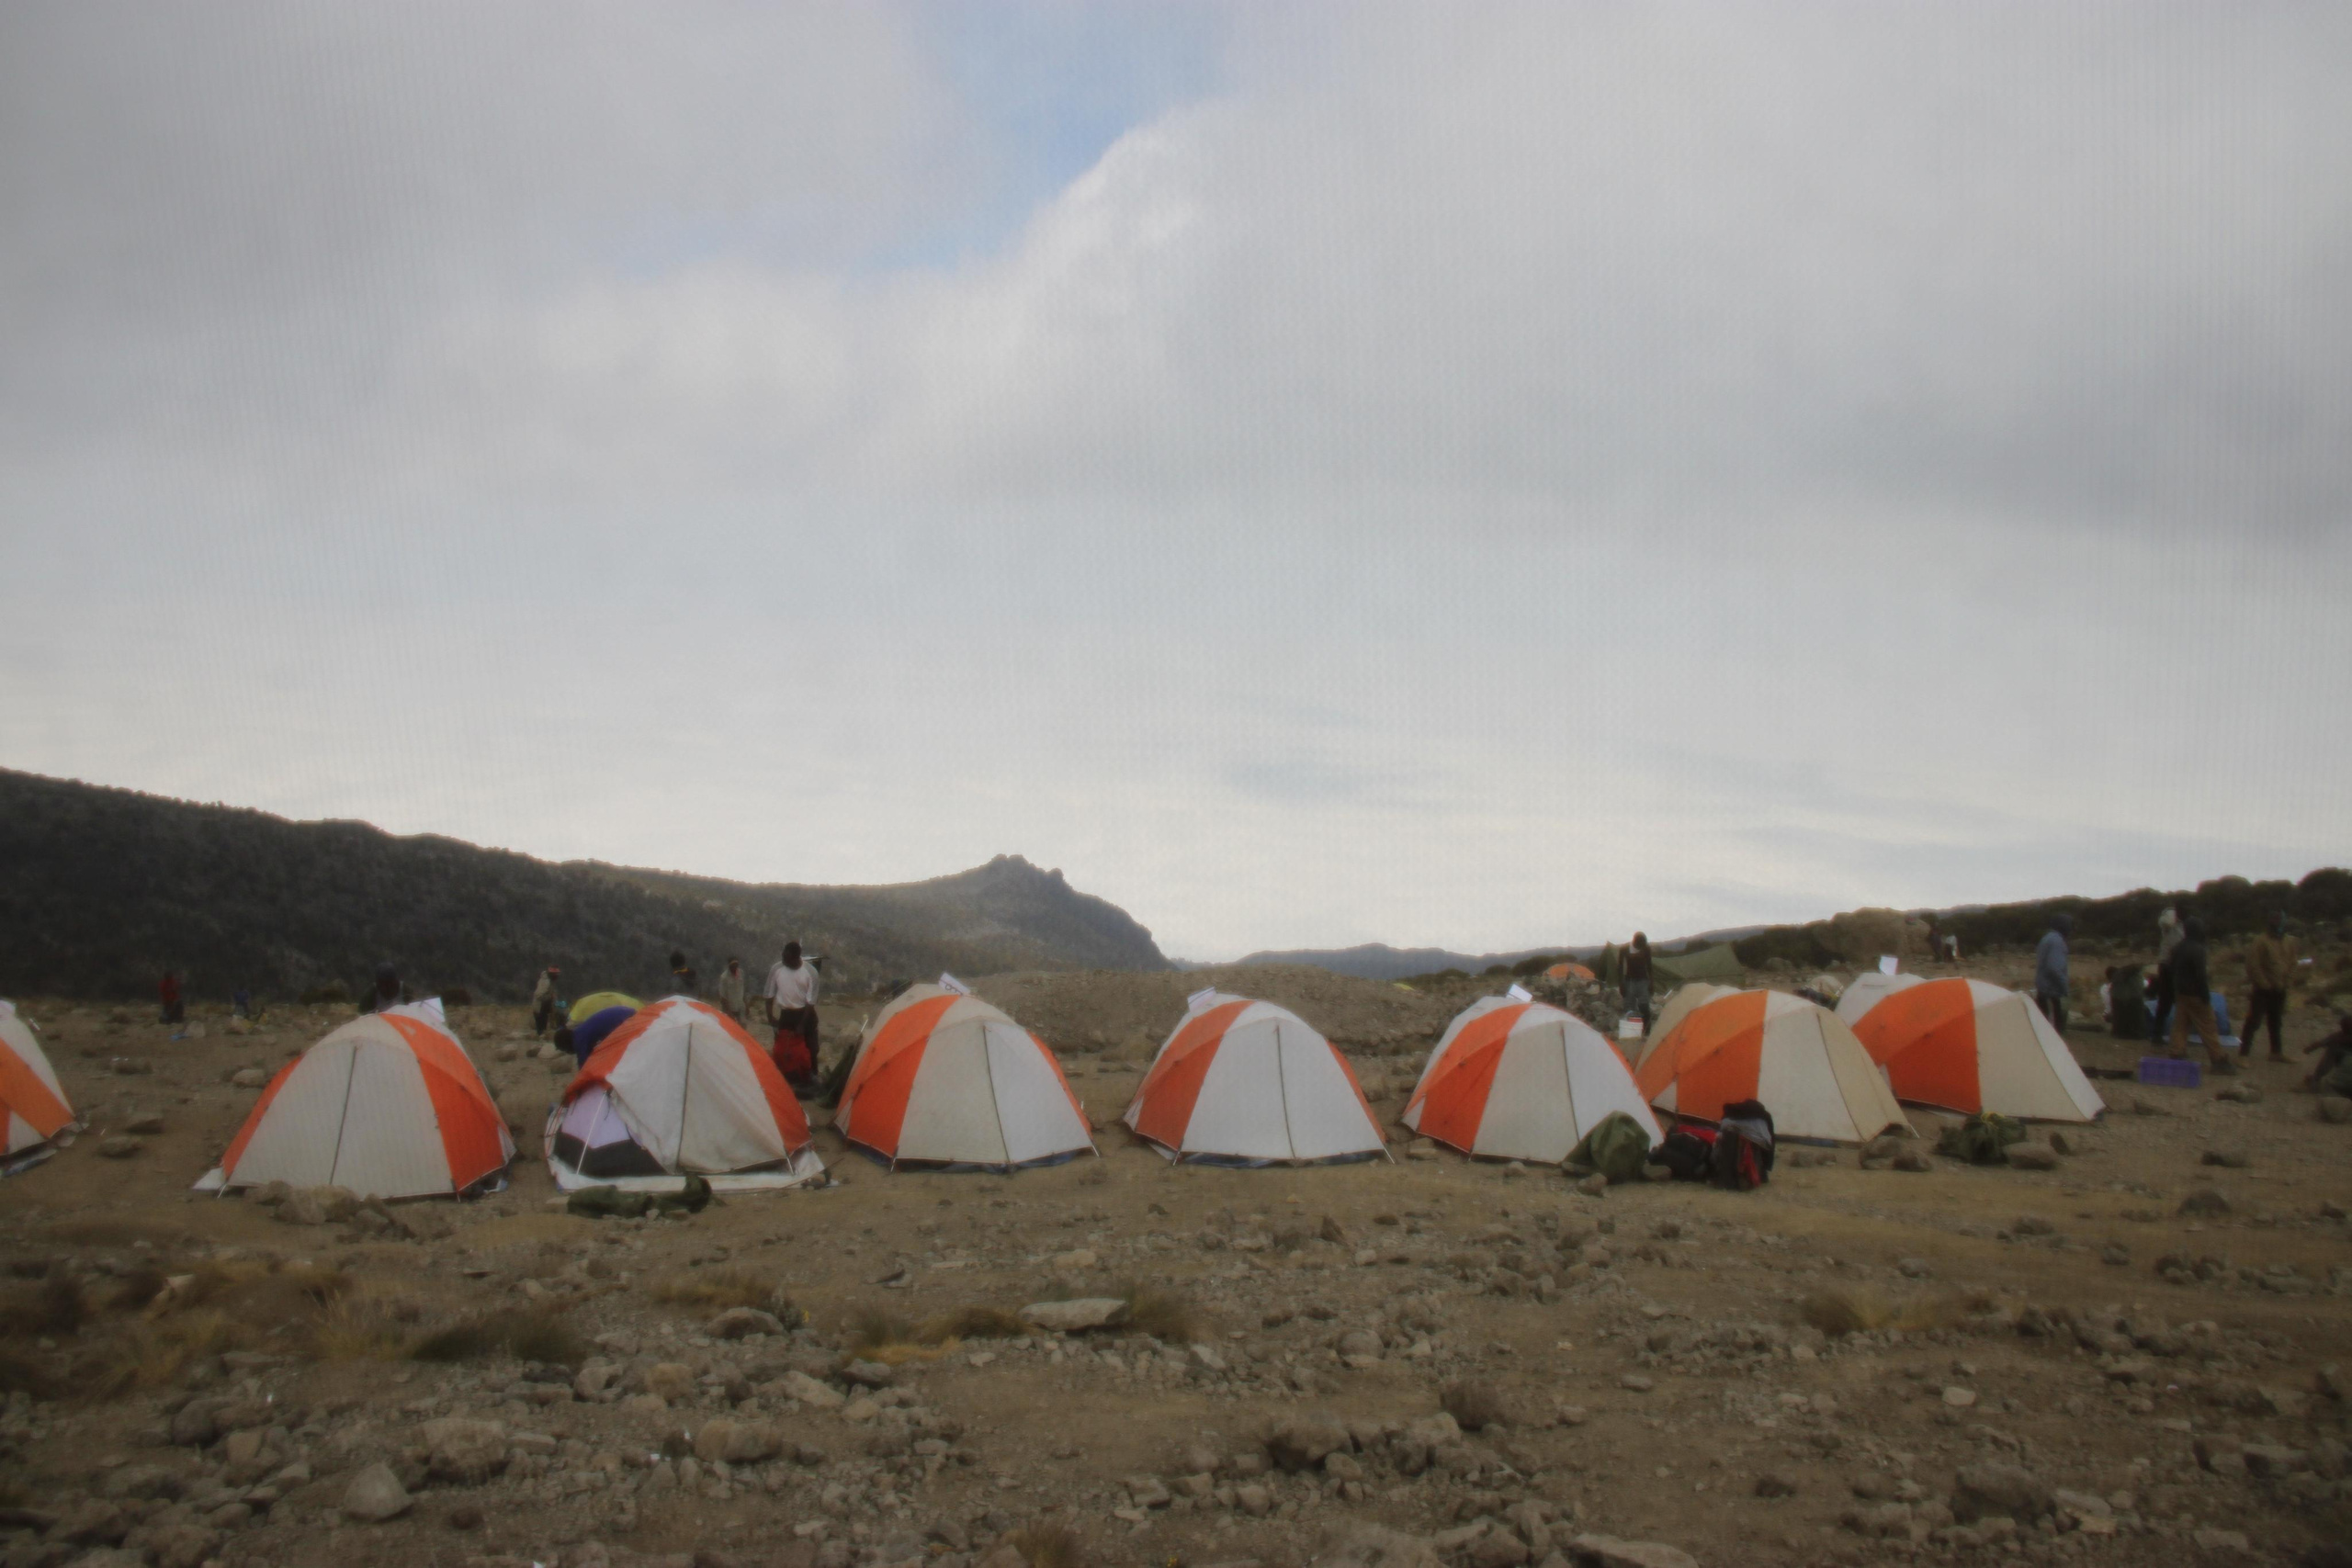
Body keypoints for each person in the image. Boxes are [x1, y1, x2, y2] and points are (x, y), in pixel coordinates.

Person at [2165, 916, 2236, 1075]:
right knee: (2208, 1026)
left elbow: (2170, 968)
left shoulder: (2178, 947)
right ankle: (2218, 1060)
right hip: (2196, 993)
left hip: (2181, 993)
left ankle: (2177, 1052)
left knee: (2181, 1024)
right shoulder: (2198, 949)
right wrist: (2205, 995)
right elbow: (2201, 976)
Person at [2240, 912, 2299, 1064]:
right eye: (2275, 920)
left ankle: (2276, 1052)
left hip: (2281, 988)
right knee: (2253, 1021)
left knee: (2276, 1021)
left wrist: (2287, 982)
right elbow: (2253, 965)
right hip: (2263, 990)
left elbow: (2293, 962)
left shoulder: (2288, 941)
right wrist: (2264, 983)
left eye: (2280, 920)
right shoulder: (2260, 941)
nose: (2278, 924)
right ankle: (2243, 1055)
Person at [764, 942, 820, 1089]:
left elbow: (811, 1002)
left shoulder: (811, 972)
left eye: (786, 958)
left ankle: (811, 1075)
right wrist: (770, 1016)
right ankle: (786, 1074)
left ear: (796, 958)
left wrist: (802, 1024)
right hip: (786, 1014)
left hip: (805, 1014)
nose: (783, 960)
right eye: (783, 956)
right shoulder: (776, 969)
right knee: (784, 1046)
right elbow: (769, 995)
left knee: (811, 1046)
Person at [2148, 907, 2184, 1044]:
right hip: (2167, 965)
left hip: (2180, 964)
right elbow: (2165, 922)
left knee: (2179, 1000)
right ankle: (2157, 1035)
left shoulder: (2186, 924)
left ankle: (2177, 1035)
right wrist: (2175, 915)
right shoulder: (2170, 917)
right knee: (2165, 1001)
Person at [2034, 914, 2073, 1030]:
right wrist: (2064, 986)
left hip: (2042, 987)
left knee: (2043, 1025)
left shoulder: (2046, 938)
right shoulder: (2057, 941)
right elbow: (2054, 968)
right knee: (2054, 1028)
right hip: (2052, 990)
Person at [567, 1003, 634, 1066]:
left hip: (625, 1018)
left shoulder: (580, 1039)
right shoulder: (580, 1031)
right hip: (626, 1012)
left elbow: (584, 1065)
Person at [2302, 1011, 2352, 1095]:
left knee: (2333, 1050)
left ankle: (2316, 1079)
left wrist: (2310, 1048)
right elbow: (2320, 1043)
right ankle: (2316, 1079)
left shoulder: (2338, 1037)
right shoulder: (2338, 1037)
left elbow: (2320, 1043)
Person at [1621, 933, 1654, 1036]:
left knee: (1644, 1006)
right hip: (1629, 981)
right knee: (1630, 1009)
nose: (1642, 946)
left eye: (1644, 944)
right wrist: (1621, 984)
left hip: (1643, 981)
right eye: (1641, 944)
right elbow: (1620, 967)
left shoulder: (1646, 949)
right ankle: (1632, 1034)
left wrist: (1651, 982)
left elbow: (1649, 965)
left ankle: (1647, 1032)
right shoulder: (1625, 949)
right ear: (1635, 941)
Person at [2106, 964, 2148, 1039]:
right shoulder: (2135, 978)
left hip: (2128, 1000)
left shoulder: (2118, 981)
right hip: (2133, 999)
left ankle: (2126, 1033)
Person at [715, 957, 749, 1025]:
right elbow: (723, 997)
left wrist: (746, 1005)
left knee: (742, 1026)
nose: (735, 966)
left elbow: (743, 990)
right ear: (729, 965)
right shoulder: (724, 977)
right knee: (730, 1027)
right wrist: (729, 1012)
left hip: (740, 1006)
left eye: (736, 964)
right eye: (733, 964)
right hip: (729, 1008)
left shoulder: (741, 973)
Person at [532, 965, 562, 1036]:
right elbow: (538, 995)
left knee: (542, 1028)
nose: (557, 976)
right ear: (552, 974)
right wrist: (550, 997)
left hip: (542, 1008)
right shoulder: (546, 982)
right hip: (540, 1008)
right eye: (556, 974)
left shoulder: (547, 981)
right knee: (541, 1029)